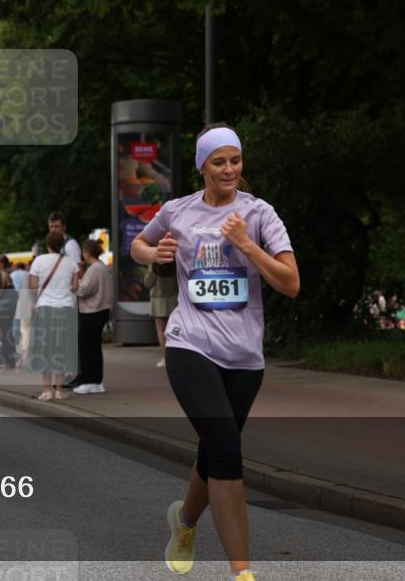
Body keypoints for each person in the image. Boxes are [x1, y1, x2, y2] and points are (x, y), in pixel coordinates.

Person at [131, 123, 299, 581]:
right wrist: (155, 254)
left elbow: (290, 283)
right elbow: (137, 244)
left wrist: (247, 245)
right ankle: (242, 573)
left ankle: (184, 524)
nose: (228, 169)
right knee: (226, 449)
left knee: (215, 449)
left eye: (235, 160)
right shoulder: (178, 210)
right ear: (202, 166)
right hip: (190, 344)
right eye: (218, 162)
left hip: (245, 357)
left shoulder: (260, 213)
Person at [28, 231, 80, 401]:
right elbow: (74, 286)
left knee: (45, 349)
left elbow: (33, 286)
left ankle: (47, 390)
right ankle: (59, 390)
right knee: (61, 349)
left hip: (45, 308)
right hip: (65, 309)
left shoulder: (39, 260)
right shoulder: (71, 262)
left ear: (48, 244)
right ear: (62, 244)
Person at [74, 239, 113, 394]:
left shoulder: (95, 268)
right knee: (95, 348)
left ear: (87, 252)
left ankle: (89, 381)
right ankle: (97, 381)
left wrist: (77, 280)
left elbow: (83, 290)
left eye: (83, 251)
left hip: (91, 311)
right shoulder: (102, 267)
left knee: (87, 347)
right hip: (101, 310)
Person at [149, 268, 179, 368]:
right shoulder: (174, 261)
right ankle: (177, 356)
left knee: (161, 329)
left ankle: (165, 357)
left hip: (158, 298)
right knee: (175, 327)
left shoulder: (155, 262)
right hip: (174, 297)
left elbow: (148, 282)